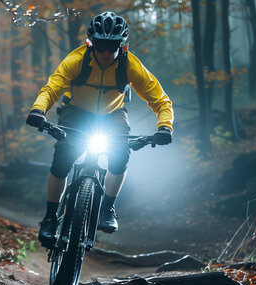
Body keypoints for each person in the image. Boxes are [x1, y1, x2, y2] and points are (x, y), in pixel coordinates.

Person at [26, 11, 174, 249]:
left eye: (112, 46)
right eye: (101, 45)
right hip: (76, 111)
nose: (106, 52)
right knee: (62, 158)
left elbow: (160, 100)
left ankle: (108, 207)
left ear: (122, 46)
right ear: (91, 42)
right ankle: (50, 218)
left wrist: (165, 126)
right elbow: (52, 88)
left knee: (121, 156)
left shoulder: (131, 66)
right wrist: (38, 110)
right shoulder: (77, 60)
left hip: (112, 114)